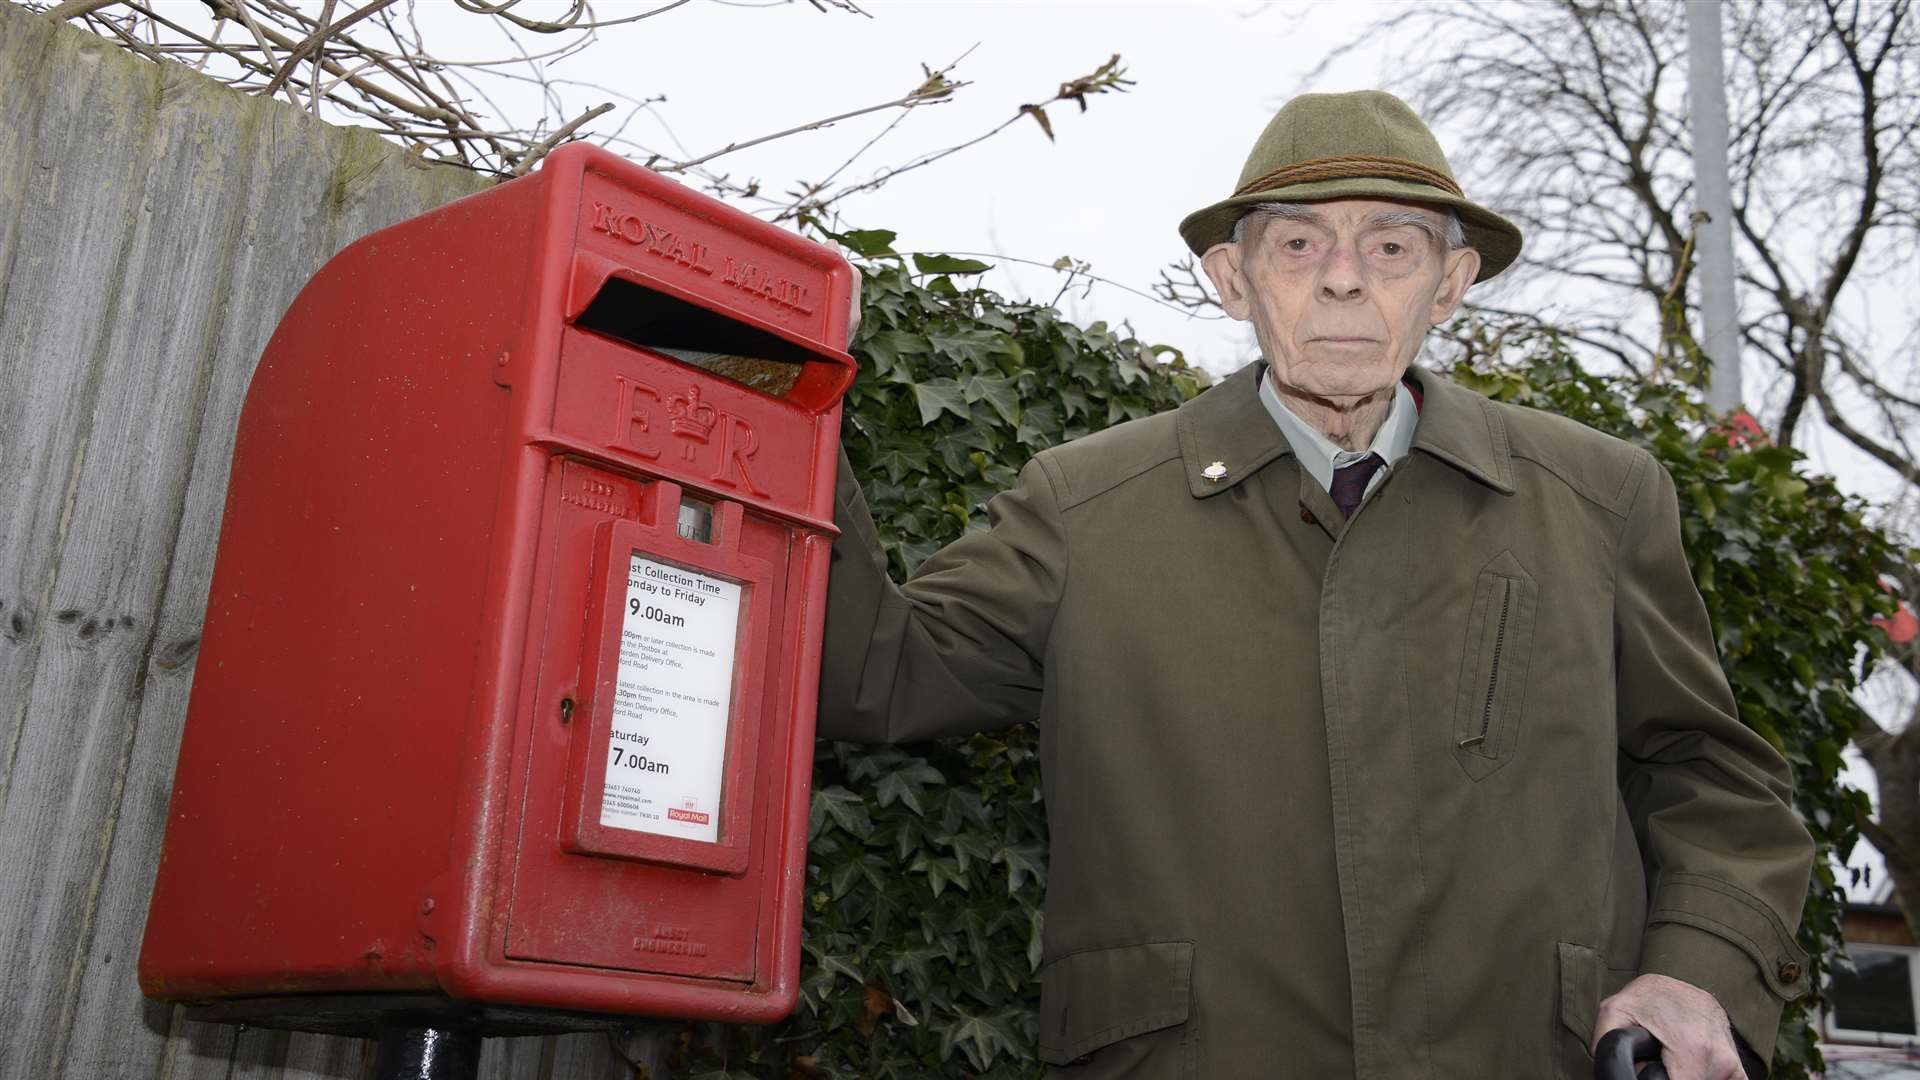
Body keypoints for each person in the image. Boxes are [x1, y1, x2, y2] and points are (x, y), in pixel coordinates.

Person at [816, 90, 1813, 1079]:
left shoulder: (1597, 499)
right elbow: (875, 672)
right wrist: (783, 394)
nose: (1344, 280)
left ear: (1451, 282)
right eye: (1297, 245)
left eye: (1392, 247)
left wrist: (1695, 973)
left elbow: (1713, 779)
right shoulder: (1086, 509)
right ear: (1231, 279)